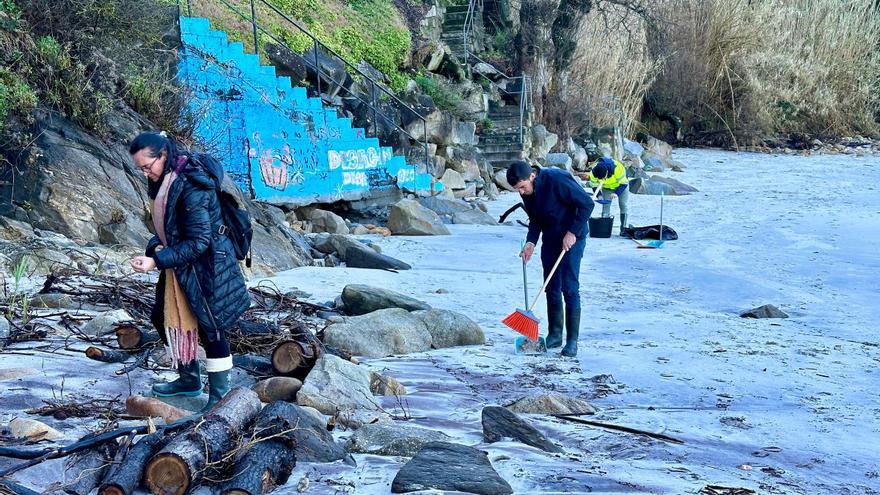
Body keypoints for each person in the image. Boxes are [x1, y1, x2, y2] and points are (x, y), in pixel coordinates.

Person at [128, 131, 250, 413]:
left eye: (148, 166)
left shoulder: (191, 185)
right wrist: (155, 247)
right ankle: (188, 380)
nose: (146, 173)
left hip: (209, 263)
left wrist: (156, 262)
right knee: (161, 317)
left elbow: (199, 241)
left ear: (164, 155)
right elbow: (170, 229)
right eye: (141, 169)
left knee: (212, 327)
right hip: (182, 264)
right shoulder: (166, 179)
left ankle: (220, 396)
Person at [506, 161, 594, 357]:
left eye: (522, 187)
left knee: (569, 287)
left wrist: (572, 232)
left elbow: (587, 204)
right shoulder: (528, 193)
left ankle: (572, 342)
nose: (521, 192)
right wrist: (531, 242)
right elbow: (535, 219)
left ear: (532, 176)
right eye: (516, 190)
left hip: (573, 236)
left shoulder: (557, 179)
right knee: (550, 285)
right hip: (551, 237)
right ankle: (555, 334)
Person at [588, 156, 630, 235]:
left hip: (621, 186)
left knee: (623, 204)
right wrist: (599, 195)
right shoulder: (593, 172)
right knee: (606, 204)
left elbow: (624, 183)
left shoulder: (617, 168)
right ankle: (604, 228)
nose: (602, 179)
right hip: (607, 188)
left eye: (603, 177)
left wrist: (616, 193)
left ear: (607, 172)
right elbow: (594, 185)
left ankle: (623, 229)